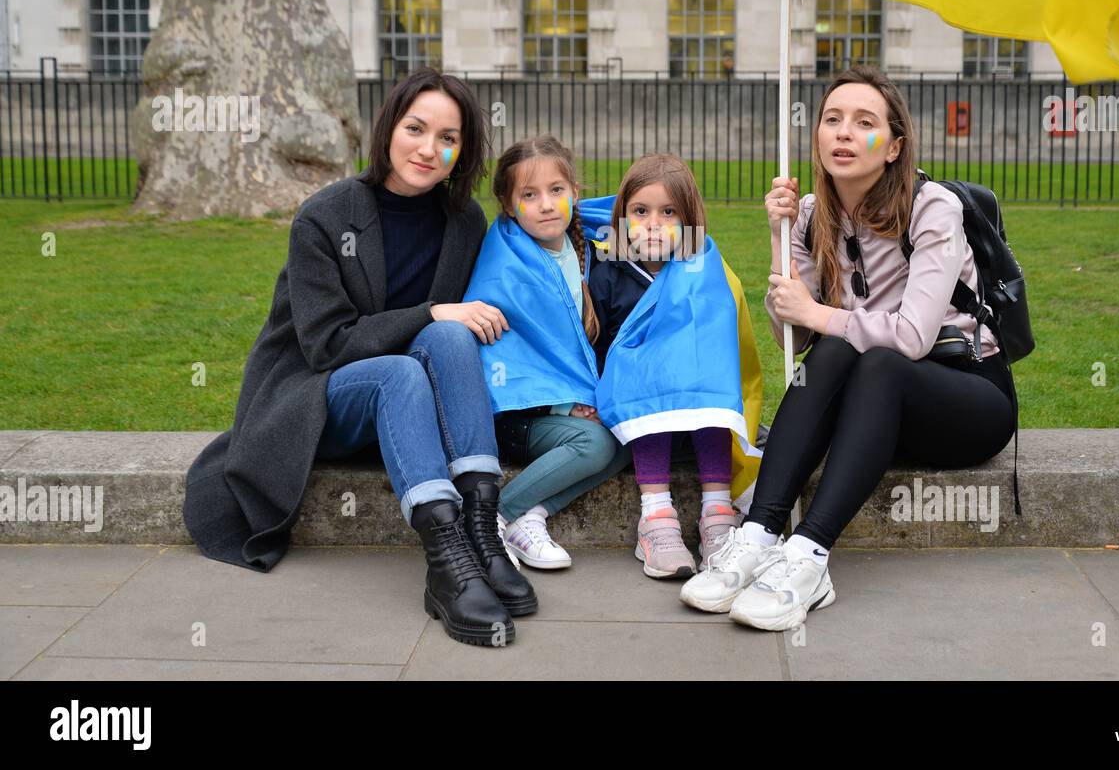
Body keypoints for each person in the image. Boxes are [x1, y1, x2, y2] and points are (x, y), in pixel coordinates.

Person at [182, 67, 536, 647]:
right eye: (415, 128)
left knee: (451, 336)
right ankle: (446, 562)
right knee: (413, 355)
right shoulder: (324, 216)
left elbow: (518, 285)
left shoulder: (463, 221)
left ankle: (481, 531)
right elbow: (326, 345)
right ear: (389, 127)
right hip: (320, 397)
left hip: (411, 407)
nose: (428, 148)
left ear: (463, 151)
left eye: (448, 138)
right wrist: (430, 312)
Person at [680, 65, 1018, 631]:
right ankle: (760, 534)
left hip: (966, 400)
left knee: (878, 357)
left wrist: (819, 314)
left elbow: (912, 337)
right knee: (834, 351)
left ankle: (810, 558)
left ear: (893, 146)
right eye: (832, 119)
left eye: (864, 122)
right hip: (875, 408)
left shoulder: (934, 207)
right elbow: (796, 336)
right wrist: (780, 235)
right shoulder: (814, 213)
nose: (843, 132)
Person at [466, 135, 632, 569]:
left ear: (575, 193)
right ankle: (490, 518)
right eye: (529, 195)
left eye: (556, 190)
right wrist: (565, 407)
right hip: (519, 417)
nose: (546, 204)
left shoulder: (587, 248)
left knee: (633, 435)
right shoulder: (506, 264)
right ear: (507, 204)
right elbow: (503, 358)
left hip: (567, 407)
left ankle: (531, 516)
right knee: (594, 443)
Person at [587, 153, 745, 579]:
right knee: (650, 388)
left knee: (704, 380)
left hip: (695, 410)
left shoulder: (700, 270)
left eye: (669, 212)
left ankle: (716, 514)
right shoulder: (607, 275)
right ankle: (656, 520)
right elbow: (595, 345)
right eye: (640, 211)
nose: (653, 223)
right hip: (636, 412)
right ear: (621, 218)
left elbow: (714, 344)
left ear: (690, 219)